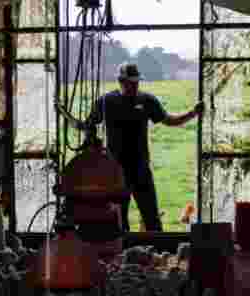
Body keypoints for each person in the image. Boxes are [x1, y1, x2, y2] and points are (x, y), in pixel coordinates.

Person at [84, 62, 201, 234]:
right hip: (116, 171)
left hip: (141, 168)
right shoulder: (106, 102)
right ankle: (123, 255)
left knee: (151, 216)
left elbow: (169, 120)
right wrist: (92, 142)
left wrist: (192, 113)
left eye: (136, 82)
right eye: (130, 82)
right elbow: (88, 125)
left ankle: (159, 252)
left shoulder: (147, 100)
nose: (134, 85)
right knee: (119, 220)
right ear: (120, 81)